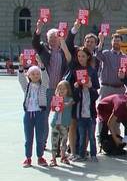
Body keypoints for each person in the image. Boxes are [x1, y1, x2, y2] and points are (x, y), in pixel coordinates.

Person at [32, 20, 68, 151]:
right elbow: (35, 43)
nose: (53, 40)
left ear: (59, 39)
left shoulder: (63, 51)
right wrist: (38, 30)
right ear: (47, 39)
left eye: (55, 37)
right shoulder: (43, 49)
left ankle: (57, 144)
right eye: (50, 38)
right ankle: (43, 141)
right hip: (46, 90)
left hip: (59, 91)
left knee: (58, 118)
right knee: (44, 117)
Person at [66, 47, 100, 162]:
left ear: (88, 57)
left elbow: (96, 91)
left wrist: (90, 86)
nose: (80, 58)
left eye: (83, 56)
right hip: (76, 103)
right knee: (74, 126)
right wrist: (75, 87)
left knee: (89, 132)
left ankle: (86, 152)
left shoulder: (92, 71)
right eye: (79, 56)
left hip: (88, 106)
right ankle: (75, 152)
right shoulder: (74, 68)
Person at [18, 55, 49, 167]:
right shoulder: (27, 87)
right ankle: (28, 158)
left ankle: (40, 157)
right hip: (28, 114)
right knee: (28, 138)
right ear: (29, 76)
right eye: (33, 74)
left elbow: (46, 78)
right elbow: (21, 79)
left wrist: (41, 65)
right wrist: (21, 66)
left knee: (40, 137)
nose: (35, 76)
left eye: (37, 74)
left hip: (40, 114)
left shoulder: (43, 86)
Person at [49, 80, 74, 166]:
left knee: (64, 141)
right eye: (59, 88)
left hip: (64, 125)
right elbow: (53, 108)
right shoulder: (55, 99)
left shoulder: (70, 99)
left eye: (63, 88)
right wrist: (56, 99)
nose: (61, 90)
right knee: (54, 141)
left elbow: (68, 104)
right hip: (55, 124)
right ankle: (53, 158)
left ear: (68, 90)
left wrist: (62, 103)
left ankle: (63, 157)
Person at [95, 33, 127, 99]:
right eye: (114, 41)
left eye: (118, 41)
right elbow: (98, 54)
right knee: (104, 108)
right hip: (106, 88)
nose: (116, 42)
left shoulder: (125, 57)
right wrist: (101, 41)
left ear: (121, 42)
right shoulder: (106, 53)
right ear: (111, 42)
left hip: (120, 89)